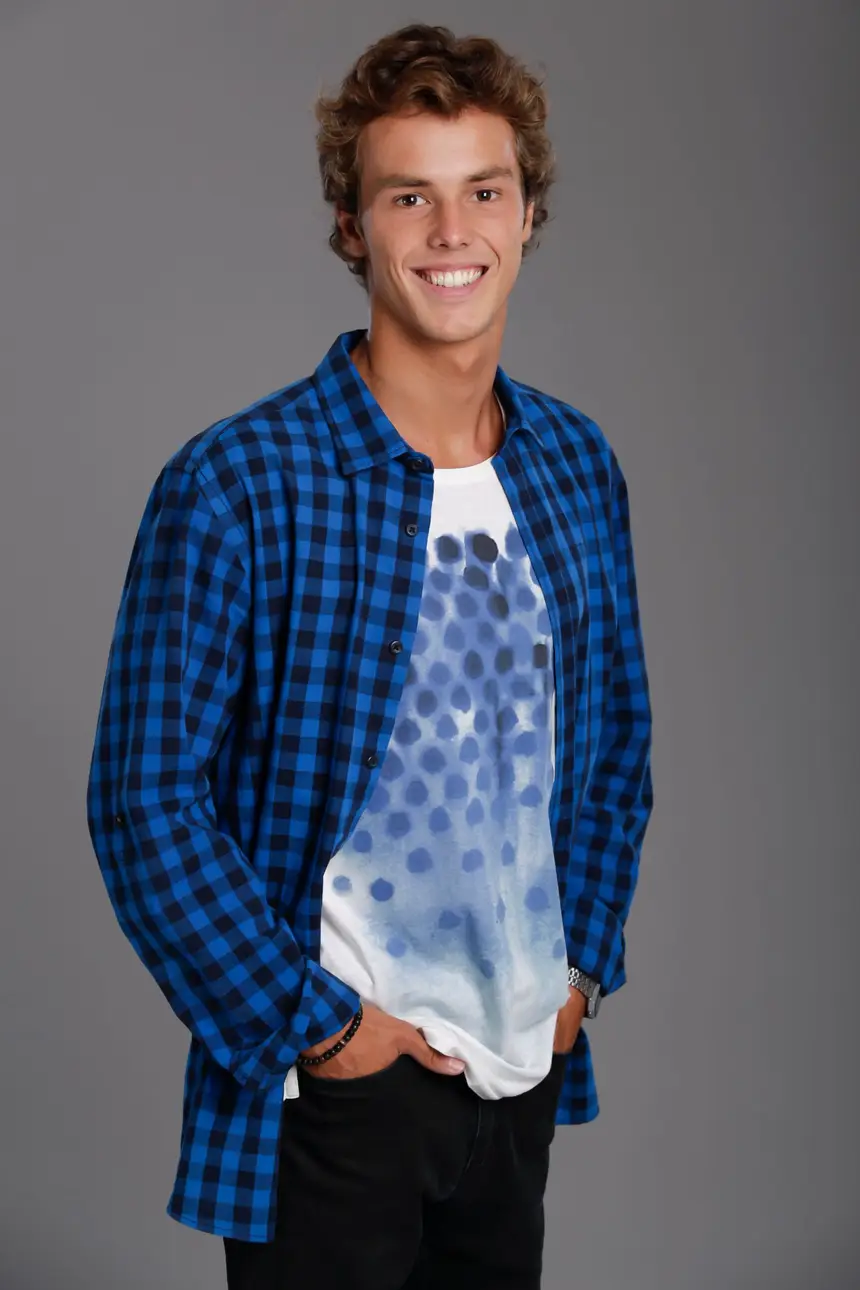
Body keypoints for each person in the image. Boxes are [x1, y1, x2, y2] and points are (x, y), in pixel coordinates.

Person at [86, 22, 654, 1290]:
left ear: (526, 216)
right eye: (409, 196)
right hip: (334, 1093)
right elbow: (142, 800)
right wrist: (314, 1026)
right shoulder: (239, 483)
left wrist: (579, 975)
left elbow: (612, 746)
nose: (452, 232)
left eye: (482, 192)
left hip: (518, 1069)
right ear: (352, 226)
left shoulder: (574, 465)